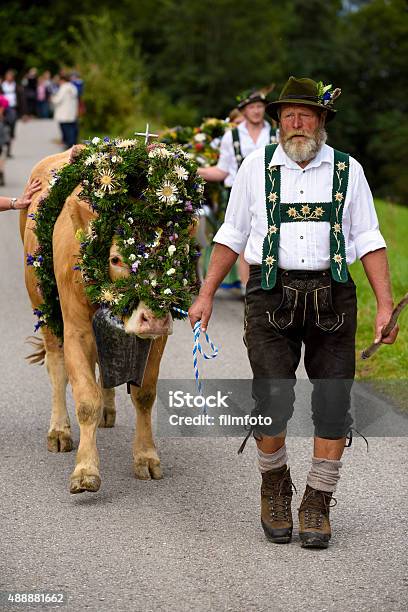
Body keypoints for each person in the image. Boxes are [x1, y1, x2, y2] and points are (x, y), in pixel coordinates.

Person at [189, 76, 399, 549]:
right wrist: (205, 294)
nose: (295, 123)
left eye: (305, 115)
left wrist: (385, 305)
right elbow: (233, 232)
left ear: (322, 120)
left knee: (331, 405)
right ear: (279, 121)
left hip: (334, 297)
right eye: (288, 116)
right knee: (272, 398)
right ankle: (274, 486)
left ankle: (318, 501)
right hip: (270, 292)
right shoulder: (254, 168)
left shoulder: (349, 170)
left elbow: (369, 239)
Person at [198, 89, 277, 289]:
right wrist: (194, 170)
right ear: (243, 110)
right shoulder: (231, 136)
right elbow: (223, 171)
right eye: (252, 107)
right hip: (239, 192)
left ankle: (270, 283)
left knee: (271, 235)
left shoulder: (276, 133)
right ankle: (247, 286)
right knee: (243, 236)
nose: (257, 111)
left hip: (272, 190)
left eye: (260, 107)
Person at [1, 69, 26, 158]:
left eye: (11, 76)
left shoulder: (17, 87)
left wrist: (23, 114)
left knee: (11, 130)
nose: (9, 78)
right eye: (8, 76)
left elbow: (22, 100)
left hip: (13, 109)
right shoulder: (2, 86)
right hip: (2, 110)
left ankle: (8, 150)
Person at [51, 73, 79, 149]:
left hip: (63, 114)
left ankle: (68, 146)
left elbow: (57, 100)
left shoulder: (63, 88)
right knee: (72, 131)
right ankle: (73, 145)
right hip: (71, 114)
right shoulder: (73, 87)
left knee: (66, 132)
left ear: (62, 80)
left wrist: (52, 98)